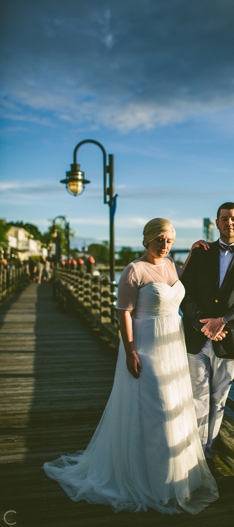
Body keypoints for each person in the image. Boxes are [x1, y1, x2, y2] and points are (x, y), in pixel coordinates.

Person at [43, 218, 219, 515]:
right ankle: (148, 479)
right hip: (147, 345)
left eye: (169, 241)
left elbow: (183, 284)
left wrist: (190, 253)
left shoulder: (172, 266)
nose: (164, 245)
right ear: (147, 239)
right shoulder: (134, 270)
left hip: (172, 345)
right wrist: (130, 351)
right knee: (155, 408)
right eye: (160, 239)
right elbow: (123, 313)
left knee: (173, 405)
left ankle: (170, 477)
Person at [181, 202, 234, 471]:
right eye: (224, 218)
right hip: (196, 337)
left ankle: (208, 451)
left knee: (219, 399)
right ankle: (193, 451)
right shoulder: (202, 253)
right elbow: (186, 290)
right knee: (197, 396)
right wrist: (202, 324)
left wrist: (223, 320)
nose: (229, 223)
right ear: (216, 223)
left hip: (229, 339)